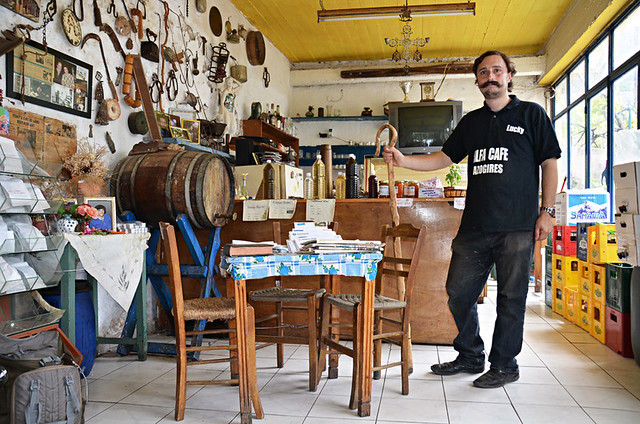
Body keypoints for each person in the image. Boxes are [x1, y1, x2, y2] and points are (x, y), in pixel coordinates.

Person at [382, 50, 561, 389]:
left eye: (496, 70)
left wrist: (547, 211)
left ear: (509, 75)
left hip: (518, 225)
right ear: (477, 80)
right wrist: (404, 159)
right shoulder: (472, 123)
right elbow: (442, 158)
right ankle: (470, 354)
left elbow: (549, 162)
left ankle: (505, 365)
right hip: (475, 225)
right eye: (483, 72)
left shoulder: (532, 114)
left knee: (511, 297)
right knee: (458, 291)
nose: (490, 76)